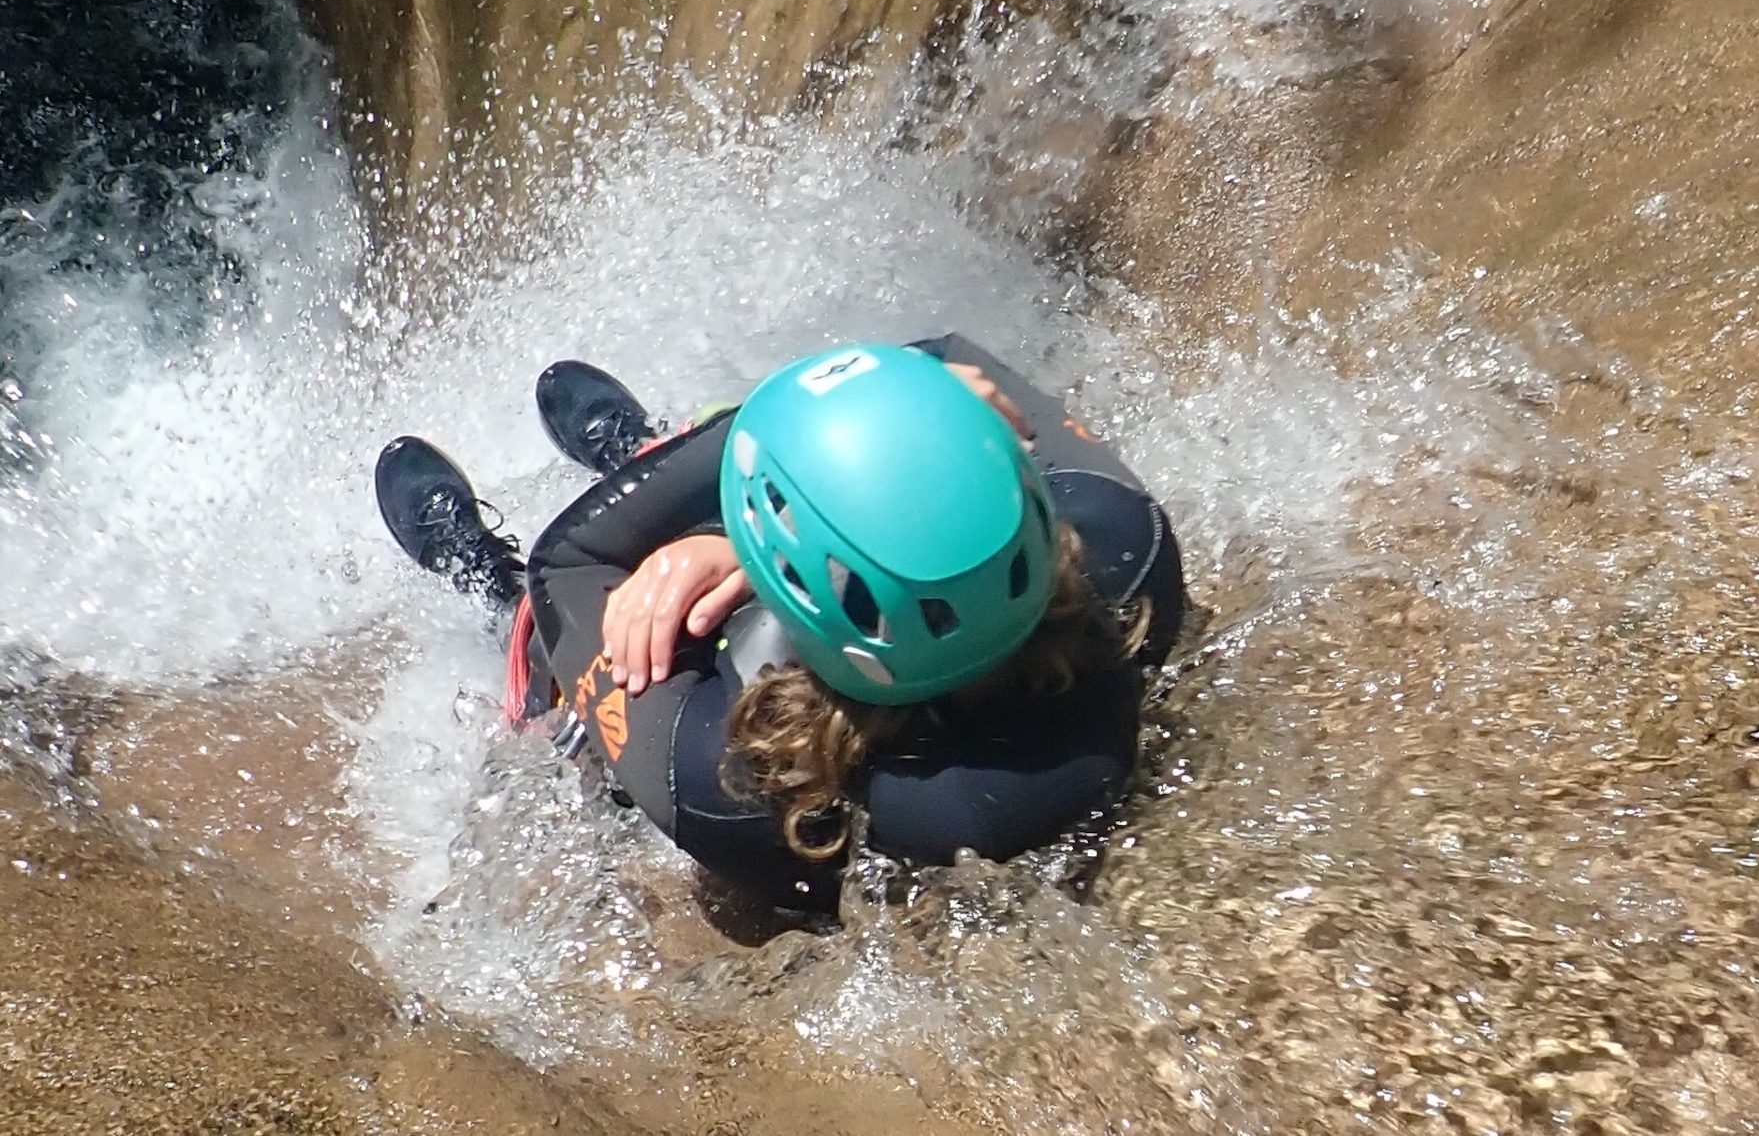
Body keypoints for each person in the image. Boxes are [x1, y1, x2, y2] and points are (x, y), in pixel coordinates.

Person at [376, 334, 1186, 912]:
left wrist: (714, 529)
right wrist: (925, 418)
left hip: (765, 691)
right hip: (945, 666)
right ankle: (662, 456)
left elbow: (572, 561)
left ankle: (496, 580)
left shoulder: (724, 778)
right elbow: (950, 357)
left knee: (636, 633)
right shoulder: (1129, 545)